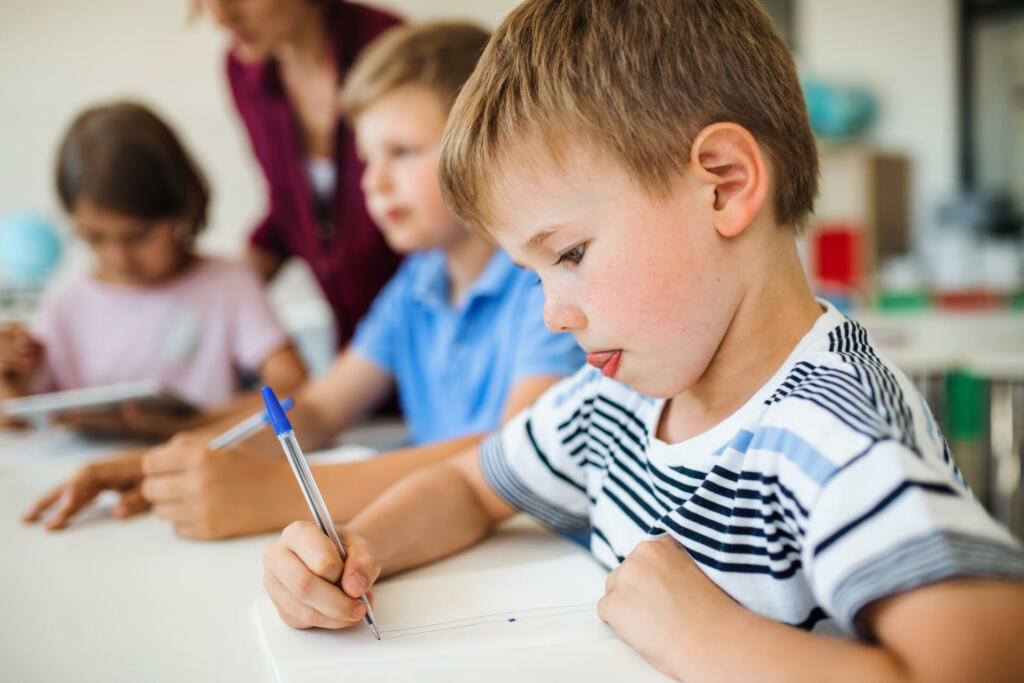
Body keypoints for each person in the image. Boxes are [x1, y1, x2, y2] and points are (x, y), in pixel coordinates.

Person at [261, 1, 1024, 680]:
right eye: (533, 274)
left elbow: (985, 659)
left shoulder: (834, 434)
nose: (553, 314)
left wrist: (705, 638)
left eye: (568, 255)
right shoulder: (612, 400)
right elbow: (469, 486)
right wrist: (355, 549)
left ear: (722, 185)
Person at [24, 23, 584, 541]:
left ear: (481, 151)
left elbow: (513, 453)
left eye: (402, 153)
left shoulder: (543, 285)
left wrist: (282, 493)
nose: (374, 183)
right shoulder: (414, 286)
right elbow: (315, 412)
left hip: (524, 549)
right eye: (366, 159)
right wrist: (167, 463)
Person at [0, 102, 306, 438]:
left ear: (182, 208)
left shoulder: (228, 285)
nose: (119, 258)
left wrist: (193, 423)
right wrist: (9, 379)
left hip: (196, 471)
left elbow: (293, 385)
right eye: (94, 237)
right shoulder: (64, 302)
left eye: (138, 236)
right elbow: (14, 420)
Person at [202, 0, 403, 350]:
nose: (220, 16)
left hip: (423, 325)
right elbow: (290, 208)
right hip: (352, 341)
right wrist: (220, 289)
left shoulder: (389, 49)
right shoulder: (243, 70)